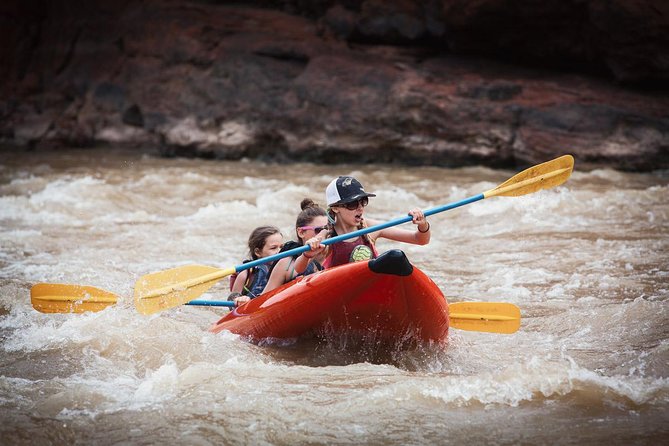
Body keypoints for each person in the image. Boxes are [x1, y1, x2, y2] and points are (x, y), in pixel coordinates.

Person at [314, 176, 431, 268]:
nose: (360, 208)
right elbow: (300, 268)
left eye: (363, 201)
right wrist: (309, 249)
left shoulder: (370, 227)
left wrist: (423, 224)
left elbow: (419, 240)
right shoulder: (326, 237)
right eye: (352, 204)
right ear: (335, 208)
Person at [262, 199, 328, 293]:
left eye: (326, 229)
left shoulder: (332, 251)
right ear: (301, 232)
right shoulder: (286, 263)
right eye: (318, 230)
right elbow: (264, 301)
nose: (322, 235)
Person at [228, 225, 283, 306]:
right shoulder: (247, 273)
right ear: (258, 252)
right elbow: (232, 299)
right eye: (273, 248)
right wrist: (239, 299)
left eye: (281, 247)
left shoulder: (286, 265)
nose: (280, 251)